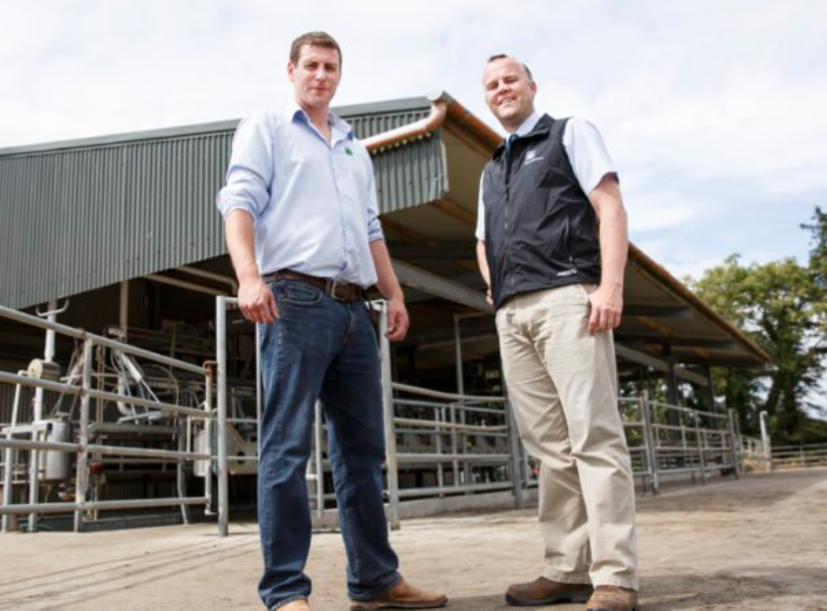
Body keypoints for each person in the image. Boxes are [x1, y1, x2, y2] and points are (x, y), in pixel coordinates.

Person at [217, 31, 447, 611]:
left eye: (331, 67)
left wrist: (392, 295)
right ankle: (286, 591)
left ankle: (375, 580)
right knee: (286, 448)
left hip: (354, 309)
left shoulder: (351, 147)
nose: (321, 75)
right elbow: (238, 201)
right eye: (312, 65)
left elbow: (371, 230)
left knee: (363, 453)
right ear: (291, 69)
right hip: (292, 299)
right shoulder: (267, 127)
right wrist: (249, 277)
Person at [475, 54, 639, 611]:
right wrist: (495, 291)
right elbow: (481, 240)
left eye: (510, 80)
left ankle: (614, 575)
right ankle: (565, 567)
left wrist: (610, 287)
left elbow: (609, 205)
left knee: (594, 435)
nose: (502, 89)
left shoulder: (570, 133)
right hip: (513, 314)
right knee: (548, 448)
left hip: (569, 296)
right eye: (492, 84)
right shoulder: (491, 169)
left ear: (531, 86)